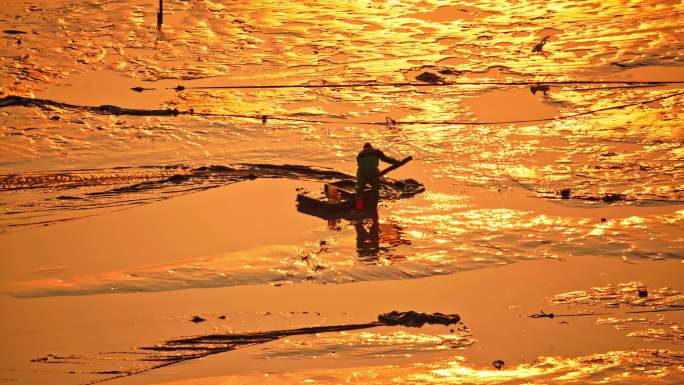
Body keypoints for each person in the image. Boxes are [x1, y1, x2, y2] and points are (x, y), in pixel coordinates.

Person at [355, 143, 401, 207]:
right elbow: (386, 159)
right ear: (371, 147)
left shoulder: (360, 154)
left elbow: (360, 165)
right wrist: (396, 162)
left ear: (364, 148)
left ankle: (359, 207)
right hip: (373, 173)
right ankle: (374, 205)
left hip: (361, 173)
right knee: (375, 189)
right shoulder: (376, 151)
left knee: (359, 191)